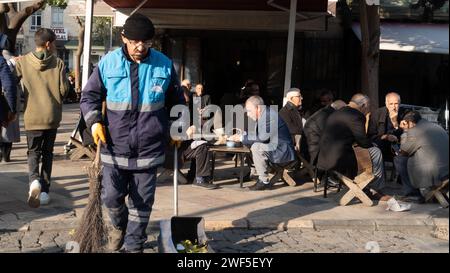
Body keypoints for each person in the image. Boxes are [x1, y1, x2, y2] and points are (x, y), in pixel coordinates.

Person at [80, 13, 185, 253]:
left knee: (142, 202)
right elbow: (90, 97)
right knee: (111, 198)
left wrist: (177, 127)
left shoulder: (164, 65)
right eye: (135, 41)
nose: (141, 47)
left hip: (149, 147)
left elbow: (178, 102)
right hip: (114, 146)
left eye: (146, 42)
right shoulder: (108, 63)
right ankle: (120, 228)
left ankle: (134, 244)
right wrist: (94, 122)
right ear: (123, 38)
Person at [14, 28, 69, 208]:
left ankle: (33, 182)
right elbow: (64, 91)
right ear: (48, 44)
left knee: (33, 152)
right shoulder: (59, 63)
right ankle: (44, 192)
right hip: (52, 116)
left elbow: (11, 80)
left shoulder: (23, 62)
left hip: (32, 116)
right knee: (47, 154)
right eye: (53, 43)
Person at [316, 94, 388, 199]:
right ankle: (374, 188)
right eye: (368, 107)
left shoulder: (337, 112)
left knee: (366, 152)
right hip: (340, 160)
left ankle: (367, 186)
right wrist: (373, 143)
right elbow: (363, 141)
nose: (368, 110)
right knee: (376, 151)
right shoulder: (357, 115)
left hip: (324, 158)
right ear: (364, 105)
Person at [229, 96, 296, 191]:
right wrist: (243, 134)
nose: (247, 114)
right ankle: (251, 171)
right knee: (249, 143)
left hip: (282, 150)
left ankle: (263, 181)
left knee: (256, 146)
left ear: (258, 108)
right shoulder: (264, 114)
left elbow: (262, 138)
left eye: (249, 111)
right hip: (275, 146)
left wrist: (241, 138)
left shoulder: (268, 116)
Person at [396, 111, 449, 201]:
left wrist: (405, 131)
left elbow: (403, 151)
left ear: (411, 123)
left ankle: (412, 194)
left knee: (399, 159)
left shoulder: (415, 131)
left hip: (435, 175)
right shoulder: (436, 126)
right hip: (446, 170)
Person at [303, 100, 346, 164]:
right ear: (339, 109)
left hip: (310, 147)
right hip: (313, 151)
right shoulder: (327, 114)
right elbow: (328, 134)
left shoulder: (326, 112)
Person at [368, 92, 405, 162]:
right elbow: (370, 136)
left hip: (398, 146)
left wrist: (395, 122)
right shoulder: (376, 114)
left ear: (399, 104)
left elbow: (406, 135)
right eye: (391, 104)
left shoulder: (403, 114)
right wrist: (386, 137)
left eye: (396, 104)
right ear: (386, 104)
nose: (394, 107)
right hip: (381, 146)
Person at [0, 36, 19, 163]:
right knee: (7, 131)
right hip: (4, 103)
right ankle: (5, 155)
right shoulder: (2, 61)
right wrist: (12, 109)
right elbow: (9, 85)